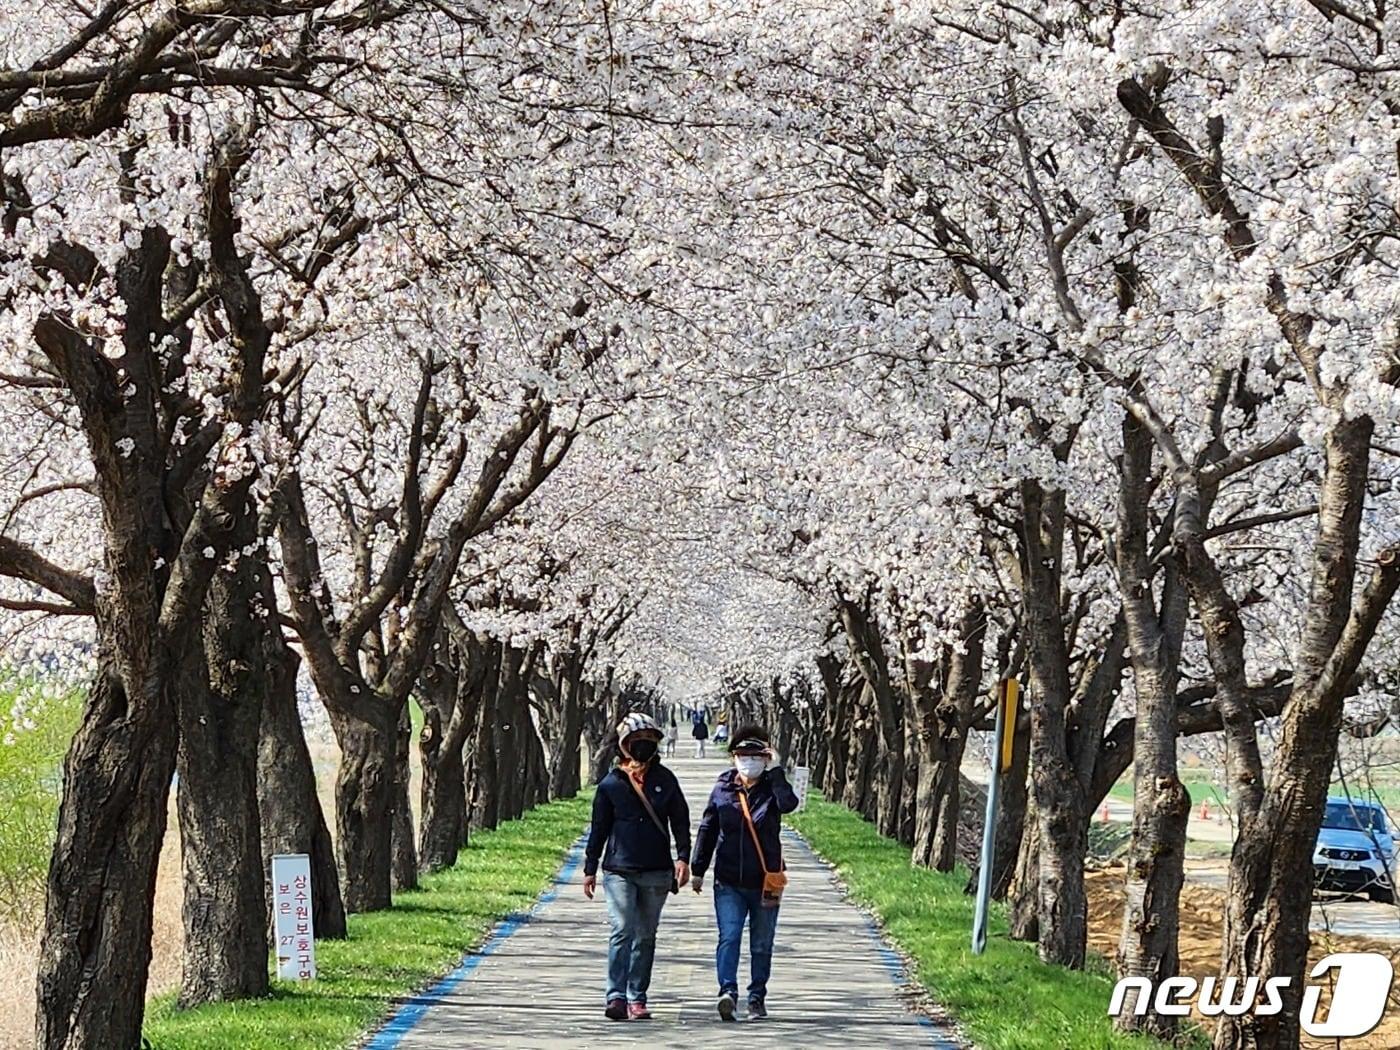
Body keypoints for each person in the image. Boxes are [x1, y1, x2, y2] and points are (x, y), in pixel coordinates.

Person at [583, 712, 691, 1021]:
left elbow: (680, 821)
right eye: (636, 741)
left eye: (648, 741)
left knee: (645, 935)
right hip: (619, 869)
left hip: (657, 869)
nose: (643, 746)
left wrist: (683, 858)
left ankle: (637, 996)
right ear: (624, 746)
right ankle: (615, 996)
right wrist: (590, 868)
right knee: (622, 930)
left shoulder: (665, 780)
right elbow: (599, 828)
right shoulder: (611, 784)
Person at [690, 724, 799, 1022]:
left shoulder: (773, 788)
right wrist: (698, 869)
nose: (748, 761)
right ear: (733, 757)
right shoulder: (723, 787)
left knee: (762, 943)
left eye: (756, 755)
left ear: (765, 758)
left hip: (766, 880)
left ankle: (757, 997)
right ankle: (728, 992)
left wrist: (776, 772)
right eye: (742, 755)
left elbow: (790, 805)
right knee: (730, 936)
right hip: (728, 880)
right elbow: (708, 828)